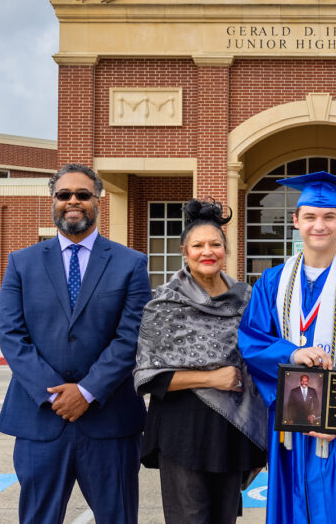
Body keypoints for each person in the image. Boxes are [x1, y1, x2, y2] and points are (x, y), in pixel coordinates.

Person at [0, 163, 152, 524]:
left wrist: (87, 390)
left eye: (83, 194)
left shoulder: (130, 264)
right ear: (52, 201)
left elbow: (132, 336)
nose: (73, 201)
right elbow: (12, 336)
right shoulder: (22, 263)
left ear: (97, 200)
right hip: (40, 421)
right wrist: (55, 394)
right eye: (64, 194)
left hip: (109, 420)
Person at [238, 170, 336, 524]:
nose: (318, 225)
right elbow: (251, 339)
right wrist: (290, 353)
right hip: (289, 427)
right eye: (309, 216)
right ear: (296, 221)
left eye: (328, 217)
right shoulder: (273, 281)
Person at [133, 199, 268, 524]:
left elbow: (261, 364)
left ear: (226, 250)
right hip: (182, 432)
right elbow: (149, 376)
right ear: (184, 251)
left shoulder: (249, 300)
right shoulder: (164, 304)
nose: (207, 251)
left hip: (232, 431)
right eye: (198, 245)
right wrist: (211, 378)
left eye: (215, 244)